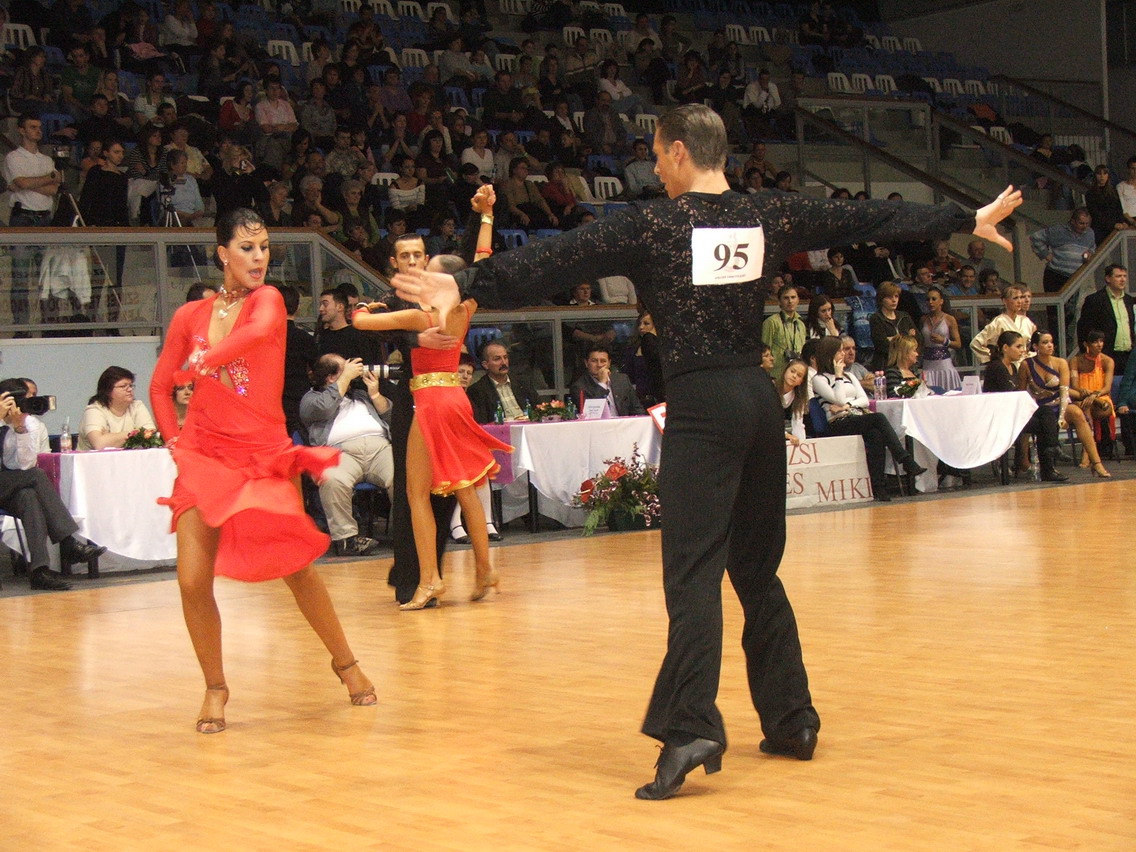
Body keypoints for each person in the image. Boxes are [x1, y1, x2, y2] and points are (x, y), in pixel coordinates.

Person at [388, 103, 1020, 800]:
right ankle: (793, 719)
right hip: (757, 401)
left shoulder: (653, 223)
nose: (655, 166)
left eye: (658, 153)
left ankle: (691, 727)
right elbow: (863, 218)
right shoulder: (767, 213)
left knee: (692, 574)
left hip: (702, 405)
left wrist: (467, 283)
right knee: (757, 569)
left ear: (680, 152)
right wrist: (964, 218)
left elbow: (559, 258)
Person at [149, 208, 378, 734]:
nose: (258, 257)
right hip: (204, 455)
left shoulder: (268, 299)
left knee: (295, 567)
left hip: (261, 452)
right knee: (191, 580)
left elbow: (256, 333)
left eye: (265, 247)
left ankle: (345, 662)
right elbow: (161, 385)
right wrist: (175, 442)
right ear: (222, 254)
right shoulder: (189, 317)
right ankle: (215, 687)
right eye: (247, 247)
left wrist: (204, 362)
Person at [352, 186, 508, 610]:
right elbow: (483, 260)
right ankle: (484, 569)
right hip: (456, 396)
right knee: (465, 487)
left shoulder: (421, 315)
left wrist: (364, 307)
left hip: (430, 401)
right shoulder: (466, 307)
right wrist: (487, 215)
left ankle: (429, 581)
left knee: (417, 494)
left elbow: (360, 323)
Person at [0, 379, 107, 592]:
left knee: (29, 497)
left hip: (10, 484)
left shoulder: (27, 423)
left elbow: (25, 465)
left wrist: (19, 428)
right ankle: (67, 542)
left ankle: (39, 572)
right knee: (37, 475)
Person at [300, 354, 394, 557]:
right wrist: (344, 379)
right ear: (331, 377)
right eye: (346, 368)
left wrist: (375, 395)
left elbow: (391, 417)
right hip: (340, 453)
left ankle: (408, 534)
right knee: (332, 479)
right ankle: (346, 540)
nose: (354, 371)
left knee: (405, 475)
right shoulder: (311, 398)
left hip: (380, 449)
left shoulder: (360, 395)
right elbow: (323, 409)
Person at [813, 337, 927, 500]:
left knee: (876, 435)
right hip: (838, 422)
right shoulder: (819, 379)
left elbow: (864, 400)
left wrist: (847, 405)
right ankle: (904, 459)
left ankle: (879, 488)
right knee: (878, 418)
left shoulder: (849, 376)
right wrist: (838, 376)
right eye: (840, 351)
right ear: (829, 354)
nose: (843, 354)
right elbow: (838, 398)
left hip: (856, 417)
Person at [1020, 331, 1110, 478]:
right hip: (1039, 406)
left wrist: (1062, 416)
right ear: (1035, 346)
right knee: (1034, 419)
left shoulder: (1060, 363)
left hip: (1059, 402)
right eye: (1045, 342)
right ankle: (1026, 461)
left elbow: (1064, 392)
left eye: (1051, 342)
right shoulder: (1026, 365)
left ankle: (1096, 462)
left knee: (1077, 413)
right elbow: (1021, 393)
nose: (1050, 345)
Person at [6, 114, 60, 329]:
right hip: (23, 217)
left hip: (44, 217)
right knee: (20, 277)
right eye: (33, 127)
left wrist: (28, 184)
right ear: (21, 130)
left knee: (46, 277)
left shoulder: (46, 159)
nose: (38, 130)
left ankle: (49, 324)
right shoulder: (13, 157)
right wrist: (48, 178)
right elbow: (22, 182)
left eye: (39, 127)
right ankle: (21, 327)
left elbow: (53, 189)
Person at [449, 353, 502, 544]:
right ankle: (455, 523)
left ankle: (487, 521)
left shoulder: (469, 398)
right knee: (466, 467)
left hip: (464, 450)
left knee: (482, 465)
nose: (465, 376)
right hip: (445, 450)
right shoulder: (445, 397)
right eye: (461, 372)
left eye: (469, 373)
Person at [78, 367, 157, 450]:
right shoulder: (94, 410)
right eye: (123, 386)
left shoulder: (137, 406)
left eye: (131, 385)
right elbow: (99, 444)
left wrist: (110, 437)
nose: (130, 389)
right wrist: (134, 434)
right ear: (108, 390)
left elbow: (151, 437)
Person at [1077, 264, 1134, 375]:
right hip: (1105, 354)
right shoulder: (1095, 300)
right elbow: (1083, 328)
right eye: (1118, 276)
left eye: (1124, 276)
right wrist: (1088, 353)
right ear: (1108, 278)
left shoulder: (1129, 300)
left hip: (1128, 355)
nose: (1122, 279)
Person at [1069, 331, 1117, 462]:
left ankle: (1087, 452)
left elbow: (1107, 387)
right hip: (1081, 397)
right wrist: (1085, 393)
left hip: (1102, 399)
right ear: (1086, 344)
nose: (1099, 345)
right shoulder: (1075, 361)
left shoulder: (1108, 361)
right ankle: (1089, 449)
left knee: (1087, 407)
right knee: (1085, 407)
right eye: (1095, 342)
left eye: (1101, 341)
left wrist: (1094, 395)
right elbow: (1074, 386)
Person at [467, 340, 540, 423]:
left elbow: (539, 409)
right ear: (485, 365)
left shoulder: (523, 382)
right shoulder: (478, 390)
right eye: (497, 359)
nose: (504, 362)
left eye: (505, 357)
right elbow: (483, 423)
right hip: (501, 430)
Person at [1029, 208, 1095, 293]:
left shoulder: (1090, 233)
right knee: (1053, 300)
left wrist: (1090, 253)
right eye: (1081, 223)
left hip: (1076, 277)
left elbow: (1092, 246)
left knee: (1072, 302)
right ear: (1073, 221)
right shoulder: (1058, 231)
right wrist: (1045, 254)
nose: (1084, 226)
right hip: (1056, 274)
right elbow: (1036, 237)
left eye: (1087, 223)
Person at [570, 345, 647, 417]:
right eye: (594, 361)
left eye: (603, 361)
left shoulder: (622, 380)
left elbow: (637, 409)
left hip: (623, 424)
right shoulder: (579, 387)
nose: (599, 365)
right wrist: (602, 383)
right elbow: (592, 415)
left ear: (609, 363)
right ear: (586, 363)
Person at [969, 283, 1036, 366]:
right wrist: (993, 358)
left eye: (1020, 297)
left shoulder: (1026, 321)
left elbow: (1035, 343)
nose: (1019, 301)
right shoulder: (998, 322)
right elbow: (975, 343)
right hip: (1007, 365)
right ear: (1005, 301)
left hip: (1025, 364)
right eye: (1015, 298)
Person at [919, 286, 962, 391]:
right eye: (928, 299)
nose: (930, 302)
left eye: (934, 299)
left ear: (941, 301)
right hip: (927, 364)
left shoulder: (949, 319)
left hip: (944, 364)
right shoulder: (923, 319)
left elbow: (958, 344)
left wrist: (944, 341)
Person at [868, 281, 918, 370]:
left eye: (896, 296)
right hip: (885, 365)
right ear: (881, 299)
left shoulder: (904, 316)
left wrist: (893, 338)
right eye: (889, 297)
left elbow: (918, 339)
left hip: (906, 365)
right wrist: (906, 337)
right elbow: (882, 344)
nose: (894, 300)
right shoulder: (876, 318)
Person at [762, 284, 807, 378]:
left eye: (793, 297)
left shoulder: (801, 324)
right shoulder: (772, 322)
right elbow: (764, 351)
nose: (790, 301)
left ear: (798, 300)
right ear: (779, 301)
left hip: (796, 375)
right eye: (786, 298)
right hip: (776, 375)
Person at [776, 359, 809, 443]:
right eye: (792, 371)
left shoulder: (799, 398)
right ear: (785, 371)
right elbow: (768, 419)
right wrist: (786, 435)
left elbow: (798, 423)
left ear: (801, 381)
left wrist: (801, 442)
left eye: (799, 375)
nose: (794, 376)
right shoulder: (771, 389)